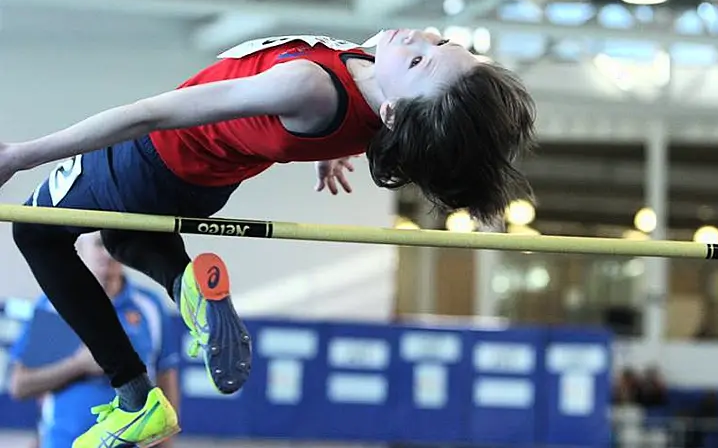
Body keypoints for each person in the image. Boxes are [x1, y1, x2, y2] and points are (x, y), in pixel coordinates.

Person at [0, 29, 537, 447]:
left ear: (394, 113)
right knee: (120, 238)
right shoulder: (384, 87)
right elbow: (376, 92)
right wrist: (335, 144)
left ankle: (134, 395)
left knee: (35, 233)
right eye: (441, 41)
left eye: (422, 59)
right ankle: (186, 283)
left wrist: (20, 155)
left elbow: (151, 114)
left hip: (152, 160)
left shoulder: (305, 88)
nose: (417, 38)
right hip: (201, 185)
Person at [7, 232, 180, 448]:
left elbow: (166, 381)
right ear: (78, 247)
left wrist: (165, 442)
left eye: (114, 243)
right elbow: (20, 384)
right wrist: (78, 365)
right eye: (100, 244)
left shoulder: (149, 307)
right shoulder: (54, 306)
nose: (108, 254)